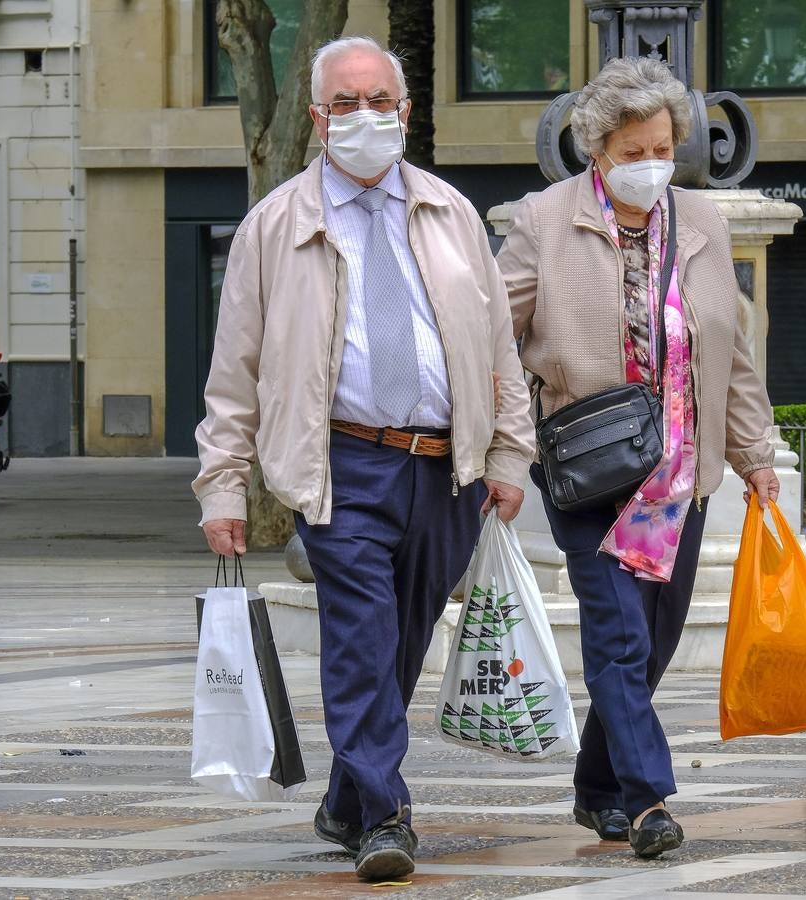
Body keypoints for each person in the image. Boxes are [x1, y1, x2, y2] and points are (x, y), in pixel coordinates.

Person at [192, 36, 535, 883]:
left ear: (406, 111)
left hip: (443, 468)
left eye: (379, 99)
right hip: (341, 465)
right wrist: (222, 486)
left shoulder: (452, 212)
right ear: (316, 119)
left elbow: (498, 348)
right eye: (345, 104)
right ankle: (385, 814)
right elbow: (233, 371)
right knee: (360, 637)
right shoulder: (275, 226)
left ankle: (346, 799)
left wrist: (509, 454)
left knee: (401, 643)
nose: (365, 116)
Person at [494, 56, 778, 860]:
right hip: (587, 468)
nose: (652, 163)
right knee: (618, 634)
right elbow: (490, 336)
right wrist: (506, 443)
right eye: (633, 151)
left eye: (662, 147)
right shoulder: (545, 221)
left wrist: (755, 451)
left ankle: (595, 787)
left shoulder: (703, 222)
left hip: (680, 474)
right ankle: (649, 800)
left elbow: (734, 352)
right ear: (598, 151)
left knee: (651, 641)